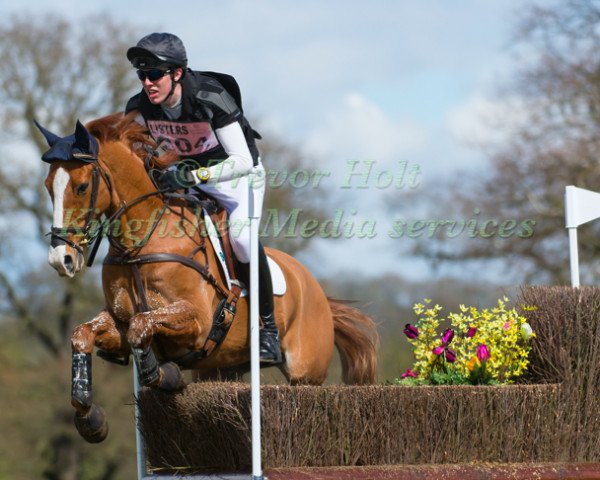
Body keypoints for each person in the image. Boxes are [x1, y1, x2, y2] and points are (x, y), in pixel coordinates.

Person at [124, 32, 282, 364]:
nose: (147, 82)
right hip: (188, 184)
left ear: (177, 73)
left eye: (155, 74)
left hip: (238, 179)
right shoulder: (138, 108)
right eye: (142, 75)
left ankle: (268, 330)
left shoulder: (211, 97)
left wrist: (194, 176)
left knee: (240, 240)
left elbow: (240, 160)